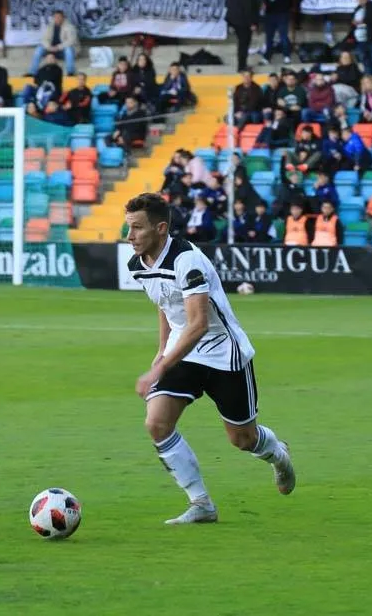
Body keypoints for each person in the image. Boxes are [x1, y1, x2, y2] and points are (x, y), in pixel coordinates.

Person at [124, 194, 296, 525]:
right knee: (157, 422)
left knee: (242, 439)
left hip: (221, 351)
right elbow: (165, 303)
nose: (129, 236)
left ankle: (279, 455)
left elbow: (198, 323)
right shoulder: (138, 264)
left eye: (137, 228)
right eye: (128, 227)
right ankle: (201, 503)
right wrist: (161, 351)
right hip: (182, 350)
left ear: (161, 228)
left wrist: (158, 368)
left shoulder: (187, 260)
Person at [29, 10, 78, 76]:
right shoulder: (50, 26)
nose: (57, 19)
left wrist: (58, 47)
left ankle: (70, 72)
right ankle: (32, 73)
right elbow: (44, 39)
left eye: (59, 17)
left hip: (62, 51)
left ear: (63, 18)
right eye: (55, 17)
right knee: (39, 49)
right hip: (51, 50)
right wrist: (48, 47)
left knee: (68, 50)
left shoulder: (69, 27)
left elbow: (71, 41)